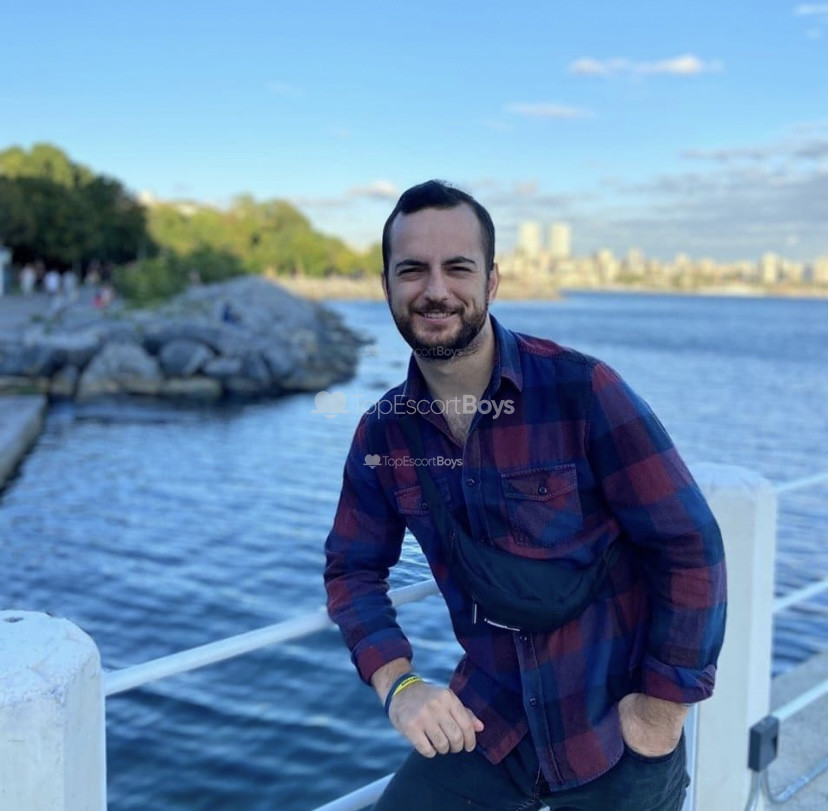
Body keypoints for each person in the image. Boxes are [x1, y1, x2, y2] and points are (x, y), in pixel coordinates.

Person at [324, 180, 727, 811]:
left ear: (492, 282)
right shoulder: (384, 432)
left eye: (458, 268)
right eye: (413, 270)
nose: (435, 289)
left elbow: (690, 545)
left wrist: (661, 712)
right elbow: (351, 568)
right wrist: (398, 684)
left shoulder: (581, 391)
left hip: (612, 727)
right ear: (387, 287)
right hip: (490, 721)